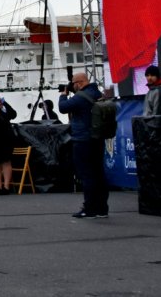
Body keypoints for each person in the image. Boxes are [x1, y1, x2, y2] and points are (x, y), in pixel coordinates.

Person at [59, 70, 107, 218]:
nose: (73, 86)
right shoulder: (98, 94)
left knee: (87, 175)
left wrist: (63, 95)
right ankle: (102, 208)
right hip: (98, 139)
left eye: (74, 83)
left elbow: (63, 108)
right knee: (99, 173)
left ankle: (90, 208)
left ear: (79, 83)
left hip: (83, 140)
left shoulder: (80, 97)